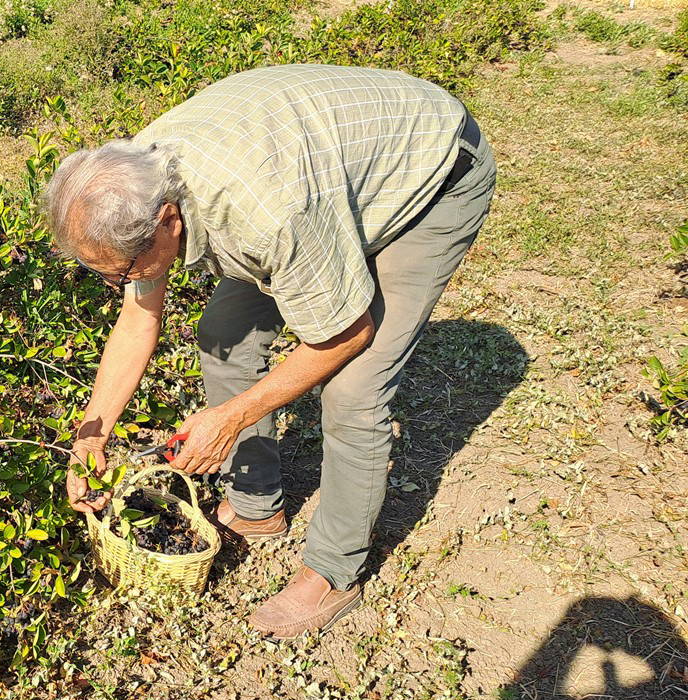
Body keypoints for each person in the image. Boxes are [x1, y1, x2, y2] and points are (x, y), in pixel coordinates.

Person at [39, 64, 496, 638]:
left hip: (432, 170)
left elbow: (345, 334)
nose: (120, 284)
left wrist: (232, 417)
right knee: (224, 331)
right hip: (321, 175)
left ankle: (334, 570)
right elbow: (138, 315)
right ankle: (258, 505)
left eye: (125, 270)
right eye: (103, 274)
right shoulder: (132, 181)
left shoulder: (267, 216)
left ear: (168, 222)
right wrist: (92, 433)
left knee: (353, 390)